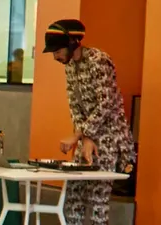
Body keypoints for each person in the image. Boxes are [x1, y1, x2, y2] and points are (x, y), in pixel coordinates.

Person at [46, 19, 137, 225]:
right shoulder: (69, 66)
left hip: (110, 137)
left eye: (57, 50)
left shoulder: (99, 60)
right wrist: (84, 136)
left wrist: (79, 135)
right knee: (73, 197)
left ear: (72, 43)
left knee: (97, 200)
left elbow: (107, 103)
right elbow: (74, 105)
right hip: (88, 136)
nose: (55, 56)